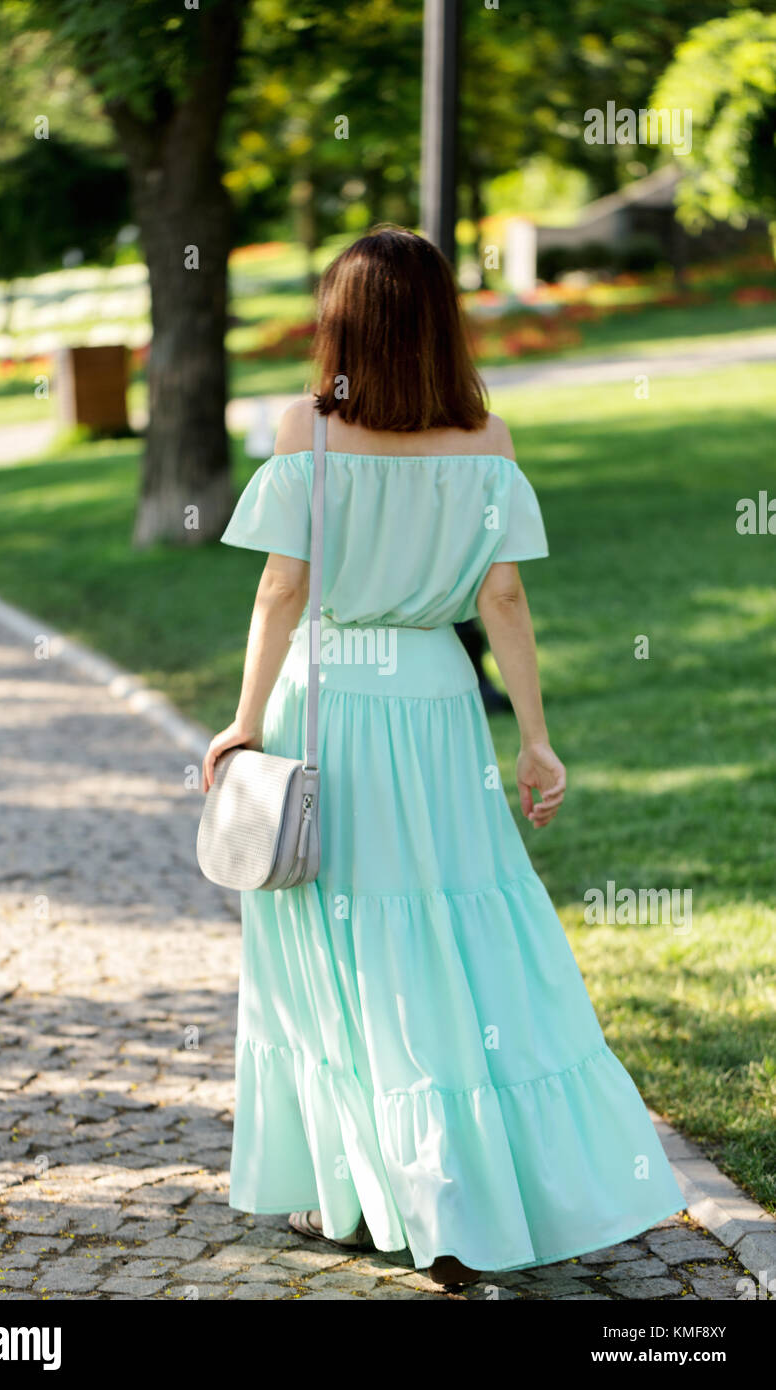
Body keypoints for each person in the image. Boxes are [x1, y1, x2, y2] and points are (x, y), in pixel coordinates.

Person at [203, 227, 684, 1290]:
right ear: (437, 325)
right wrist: (534, 737)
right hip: (436, 706)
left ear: (340, 326)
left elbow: (280, 592)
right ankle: (467, 1187)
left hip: (325, 706)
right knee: (458, 927)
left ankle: (351, 1191)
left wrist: (240, 723)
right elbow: (501, 598)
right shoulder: (487, 441)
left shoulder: (306, 432)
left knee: (336, 946)